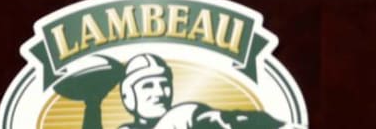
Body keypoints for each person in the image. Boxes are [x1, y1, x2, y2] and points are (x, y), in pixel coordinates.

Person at [118, 54, 290, 128]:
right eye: (147, 86)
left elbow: (225, 120)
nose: (160, 93)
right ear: (129, 96)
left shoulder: (183, 116)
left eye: (164, 85)